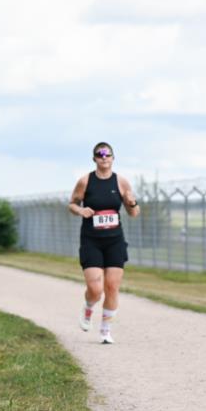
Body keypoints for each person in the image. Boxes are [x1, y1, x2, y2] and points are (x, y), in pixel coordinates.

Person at [67, 142, 140, 344]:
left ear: (113, 158)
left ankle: (105, 330)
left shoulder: (121, 182)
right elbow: (72, 203)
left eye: (108, 154)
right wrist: (81, 210)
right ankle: (89, 307)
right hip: (91, 240)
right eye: (100, 155)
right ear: (94, 159)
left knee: (112, 286)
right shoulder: (85, 181)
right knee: (96, 288)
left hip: (115, 241)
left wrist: (131, 202)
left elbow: (133, 213)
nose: (104, 158)